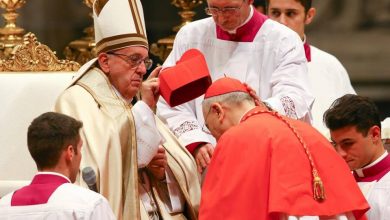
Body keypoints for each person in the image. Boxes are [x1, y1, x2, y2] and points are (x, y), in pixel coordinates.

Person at [55, 0, 200, 219]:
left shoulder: (134, 100)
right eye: (133, 60)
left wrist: (161, 175)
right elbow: (94, 175)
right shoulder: (77, 100)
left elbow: (173, 175)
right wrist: (146, 109)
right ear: (104, 61)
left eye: (145, 60)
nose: (142, 69)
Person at [157, 0, 314, 174]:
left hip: (261, 157)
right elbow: (170, 100)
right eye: (213, 9)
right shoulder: (190, 36)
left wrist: (262, 108)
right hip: (205, 161)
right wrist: (196, 141)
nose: (221, 18)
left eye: (229, 9)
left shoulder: (283, 39)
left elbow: (295, 95)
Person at [199, 77, 369, 219]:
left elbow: (220, 209)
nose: (214, 135)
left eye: (208, 126)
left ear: (217, 111)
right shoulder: (309, 131)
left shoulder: (234, 138)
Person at [0, 112, 116, 219]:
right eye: (80, 149)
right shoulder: (90, 204)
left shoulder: (4, 206)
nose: (80, 156)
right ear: (70, 152)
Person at [266, 0, 356, 137]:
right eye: (275, 13)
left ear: (309, 15)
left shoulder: (330, 65)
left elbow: (353, 121)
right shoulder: (255, 61)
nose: (282, 22)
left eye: (291, 14)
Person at [324, 94, 390, 219]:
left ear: (375, 134)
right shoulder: (337, 184)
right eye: (335, 144)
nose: (340, 153)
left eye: (348, 143)